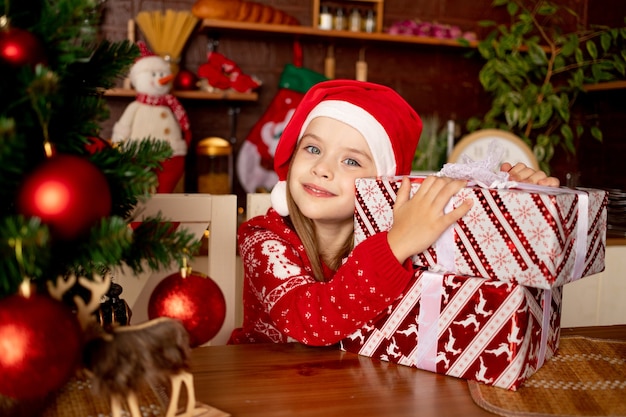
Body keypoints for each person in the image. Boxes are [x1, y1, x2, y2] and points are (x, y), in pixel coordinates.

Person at [229, 80, 559, 346]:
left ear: (382, 182)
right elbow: (311, 320)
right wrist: (395, 245)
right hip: (266, 386)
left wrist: (519, 199)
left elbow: (484, 262)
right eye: (312, 148)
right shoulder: (264, 240)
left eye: (351, 161)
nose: (322, 168)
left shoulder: (396, 229)